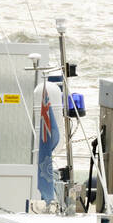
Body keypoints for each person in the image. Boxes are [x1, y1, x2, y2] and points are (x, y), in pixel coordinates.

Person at [35, 73, 64, 203]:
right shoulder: (42, 92)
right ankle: (47, 197)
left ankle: (48, 198)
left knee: (47, 147)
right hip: (43, 147)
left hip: (46, 147)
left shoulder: (48, 91)